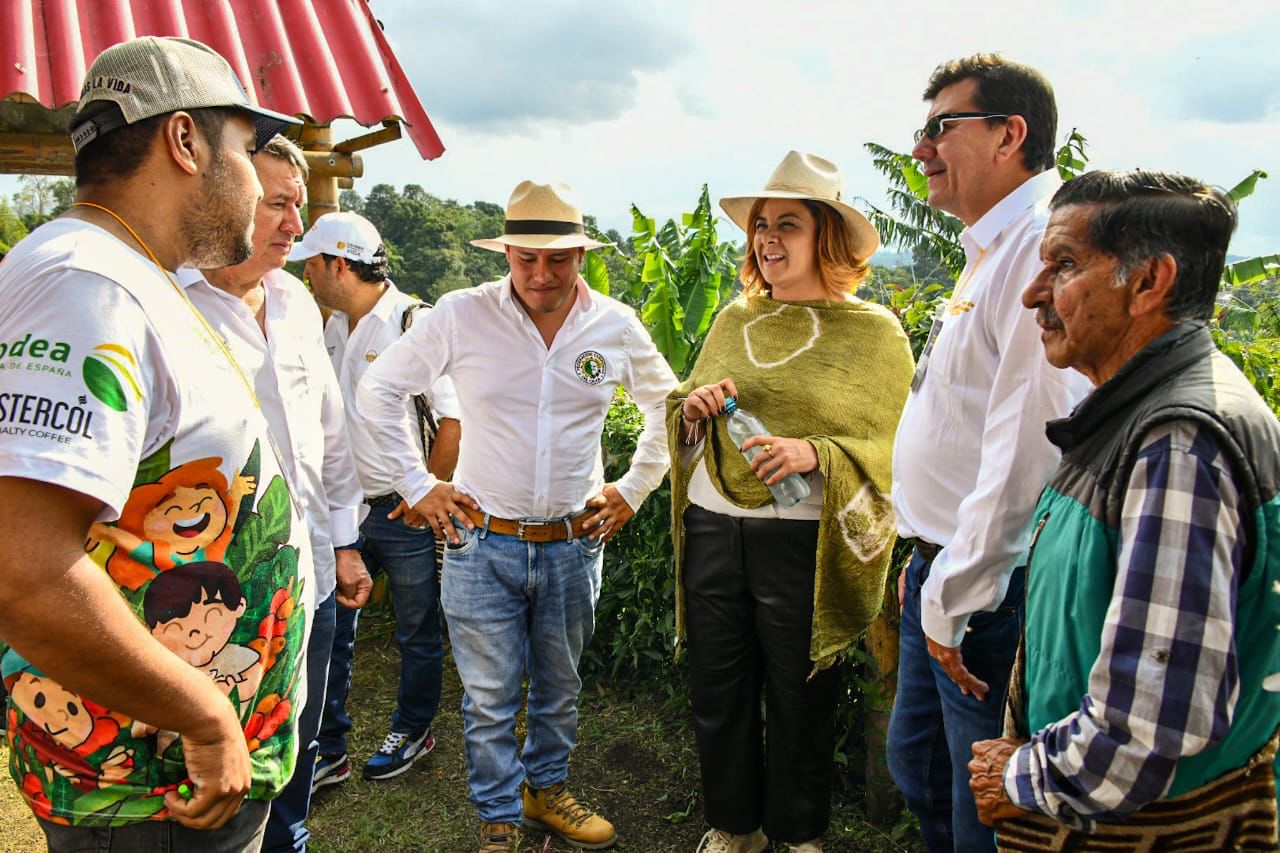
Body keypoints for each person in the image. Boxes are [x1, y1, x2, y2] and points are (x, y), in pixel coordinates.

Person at [0, 35, 310, 850]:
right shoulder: (88, 285)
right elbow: (24, 570)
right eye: (245, 148)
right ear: (183, 141)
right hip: (153, 797)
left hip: (181, 780)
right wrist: (205, 713)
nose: (254, 179)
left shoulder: (132, 277)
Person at [356, 179, 677, 852]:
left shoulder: (614, 325)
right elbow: (380, 387)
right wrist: (418, 483)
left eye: (556, 258)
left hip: (572, 540)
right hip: (481, 540)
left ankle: (546, 789)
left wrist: (635, 487)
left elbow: (668, 412)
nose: (540, 272)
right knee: (489, 695)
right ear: (505, 250)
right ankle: (498, 818)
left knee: (560, 685)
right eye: (525, 257)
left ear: (581, 255)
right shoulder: (461, 313)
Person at [968, 170, 1280, 849]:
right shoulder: (1135, 414)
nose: (1033, 292)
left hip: (1143, 827)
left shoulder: (1178, 442)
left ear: (1148, 283)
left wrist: (1019, 774)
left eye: (1065, 264)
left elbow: (1145, 728)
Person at [670, 151, 913, 853]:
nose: (767, 240)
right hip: (715, 527)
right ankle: (734, 826)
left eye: (787, 225)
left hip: (803, 544)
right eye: (760, 227)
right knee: (719, 687)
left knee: (802, 693)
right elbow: (689, 413)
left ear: (828, 237)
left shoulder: (874, 336)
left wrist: (818, 452)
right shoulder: (734, 319)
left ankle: (798, 831)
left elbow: (892, 443)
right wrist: (692, 408)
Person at [884, 54, 1093, 853]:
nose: (921, 148)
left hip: (984, 588)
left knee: (987, 810)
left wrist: (956, 593)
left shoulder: (1041, 245)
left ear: (1011, 134)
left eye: (942, 126)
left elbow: (1028, 446)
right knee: (922, 771)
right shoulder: (989, 248)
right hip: (939, 569)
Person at [179, 135, 374, 852]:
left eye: (299, 203)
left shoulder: (295, 301)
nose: (296, 224)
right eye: (279, 204)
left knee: (298, 743)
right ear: (223, 195)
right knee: (218, 769)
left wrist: (347, 544)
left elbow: (331, 438)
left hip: (313, 578)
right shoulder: (169, 297)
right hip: (213, 598)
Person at [290, 212, 462, 787]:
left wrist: (423, 495)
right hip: (348, 509)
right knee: (334, 627)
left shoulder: (414, 322)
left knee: (417, 628)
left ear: (339, 264)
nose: (307, 276)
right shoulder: (333, 326)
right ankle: (327, 745)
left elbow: (454, 421)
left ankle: (413, 729)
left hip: (401, 509)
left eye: (312, 265)